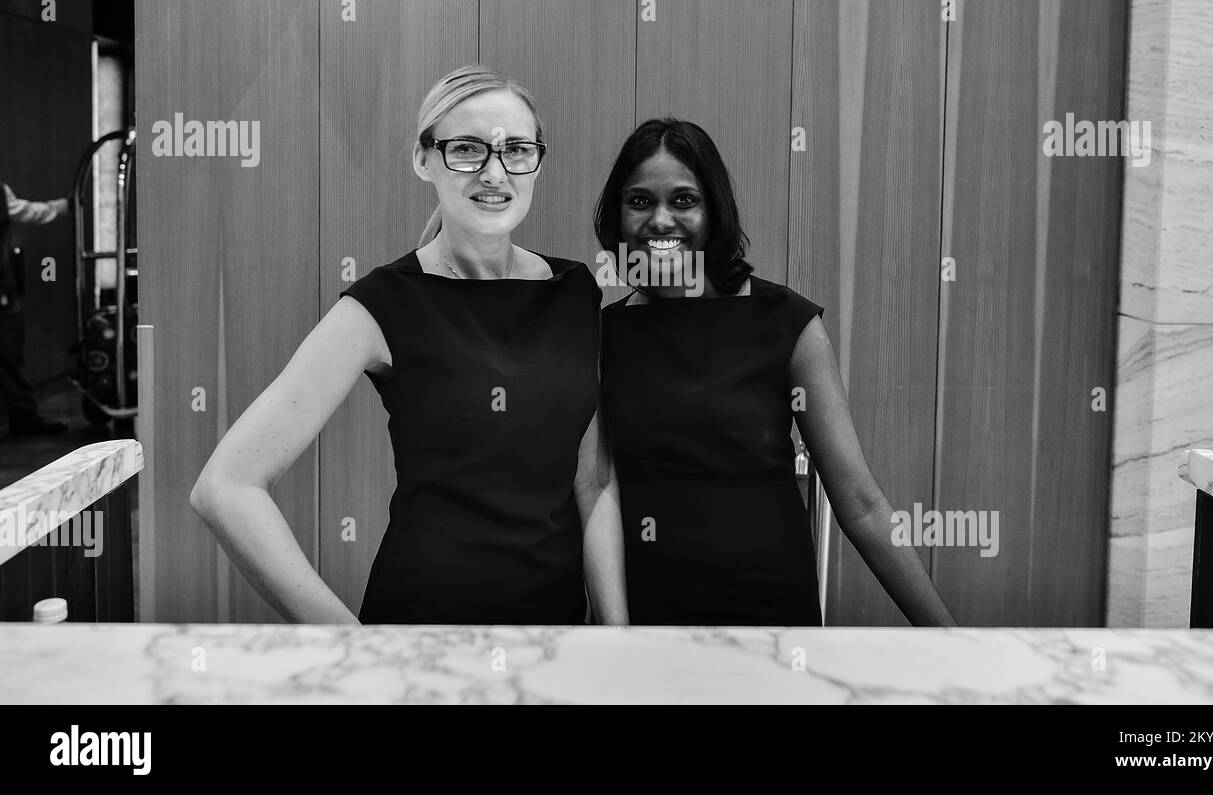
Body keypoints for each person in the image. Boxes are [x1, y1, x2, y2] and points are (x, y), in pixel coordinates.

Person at [191, 65, 627, 625]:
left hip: (554, 628)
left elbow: (589, 485)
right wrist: (352, 642)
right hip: (421, 628)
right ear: (424, 160)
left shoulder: (574, 293)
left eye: (516, 149)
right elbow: (225, 487)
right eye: (467, 149)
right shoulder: (384, 303)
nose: (495, 172)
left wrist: (617, 636)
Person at [594, 117, 957, 626]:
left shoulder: (785, 322)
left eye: (683, 200)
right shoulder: (600, 335)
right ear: (618, 215)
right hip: (645, 619)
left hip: (772, 618)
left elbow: (861, 503)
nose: (660, 220)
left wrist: (951, 639)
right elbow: (593, 492)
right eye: (640, 201)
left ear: (713, 209)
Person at [1, 181, 71, 437]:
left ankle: (24, 417)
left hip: (5, 296)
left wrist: (56, 208)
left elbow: (24, 210)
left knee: (11, 359)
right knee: (10, 359)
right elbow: (25, 211)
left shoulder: (2, 192)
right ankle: (23, 417)